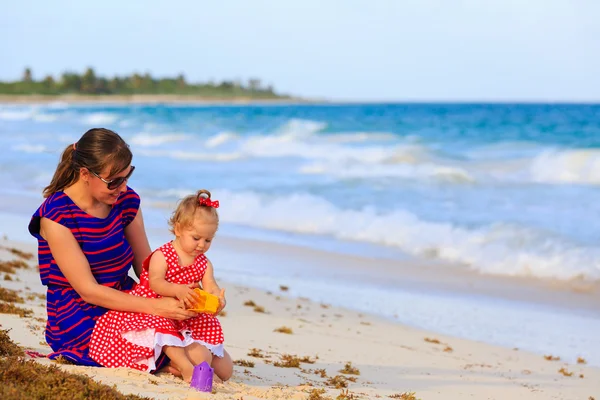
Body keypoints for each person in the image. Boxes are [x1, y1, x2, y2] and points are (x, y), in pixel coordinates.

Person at [28, 127, 198, 368]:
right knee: (166, 352)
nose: (123, 187)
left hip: (126, 298)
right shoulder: (56, 216)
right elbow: (88, 290)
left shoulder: (125, 201)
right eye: (114, 181)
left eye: (127, 176)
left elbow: (146, 269)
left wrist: (183, 292)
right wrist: (155, 307)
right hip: (78, 313)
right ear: (85, 173)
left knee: (194, 343)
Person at [89, 190, 233, 382]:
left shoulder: (204, 263)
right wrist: (177, 290)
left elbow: (210, 286)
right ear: (178, 229)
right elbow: (155, 283)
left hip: (188, 317)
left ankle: (197, 364)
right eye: (196, 238)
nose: (201, 245)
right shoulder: (163, 255)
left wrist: (217, 299)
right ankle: (185, 367)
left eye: (208, 240)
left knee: (226, 370)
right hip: (158, 310)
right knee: (200, 356)